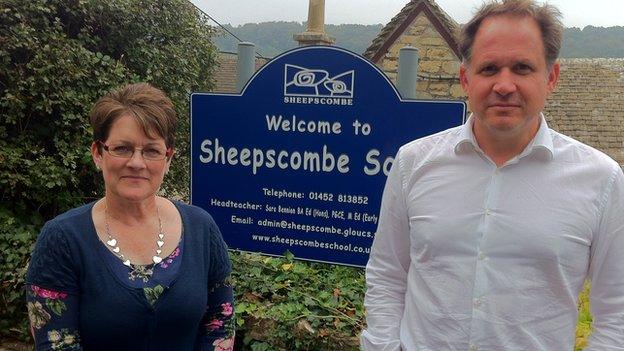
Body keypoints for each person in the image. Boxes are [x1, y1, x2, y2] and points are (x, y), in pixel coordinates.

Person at [361, 0, 624, 350]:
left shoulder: (601, 179)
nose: (504, 85)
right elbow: (387, 276)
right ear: (465, 79)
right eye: (488, 69)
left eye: (522, 68)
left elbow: (616, 312)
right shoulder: (413, 163)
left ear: (551, 77)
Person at [26, 83, 235, 350]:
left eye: (151, 151)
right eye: (122, 148)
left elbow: (220, 325)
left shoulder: (201, 228)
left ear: (168, 159)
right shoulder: (63, 239)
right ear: (98, 153)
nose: (137, 163)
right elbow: (56, 344)